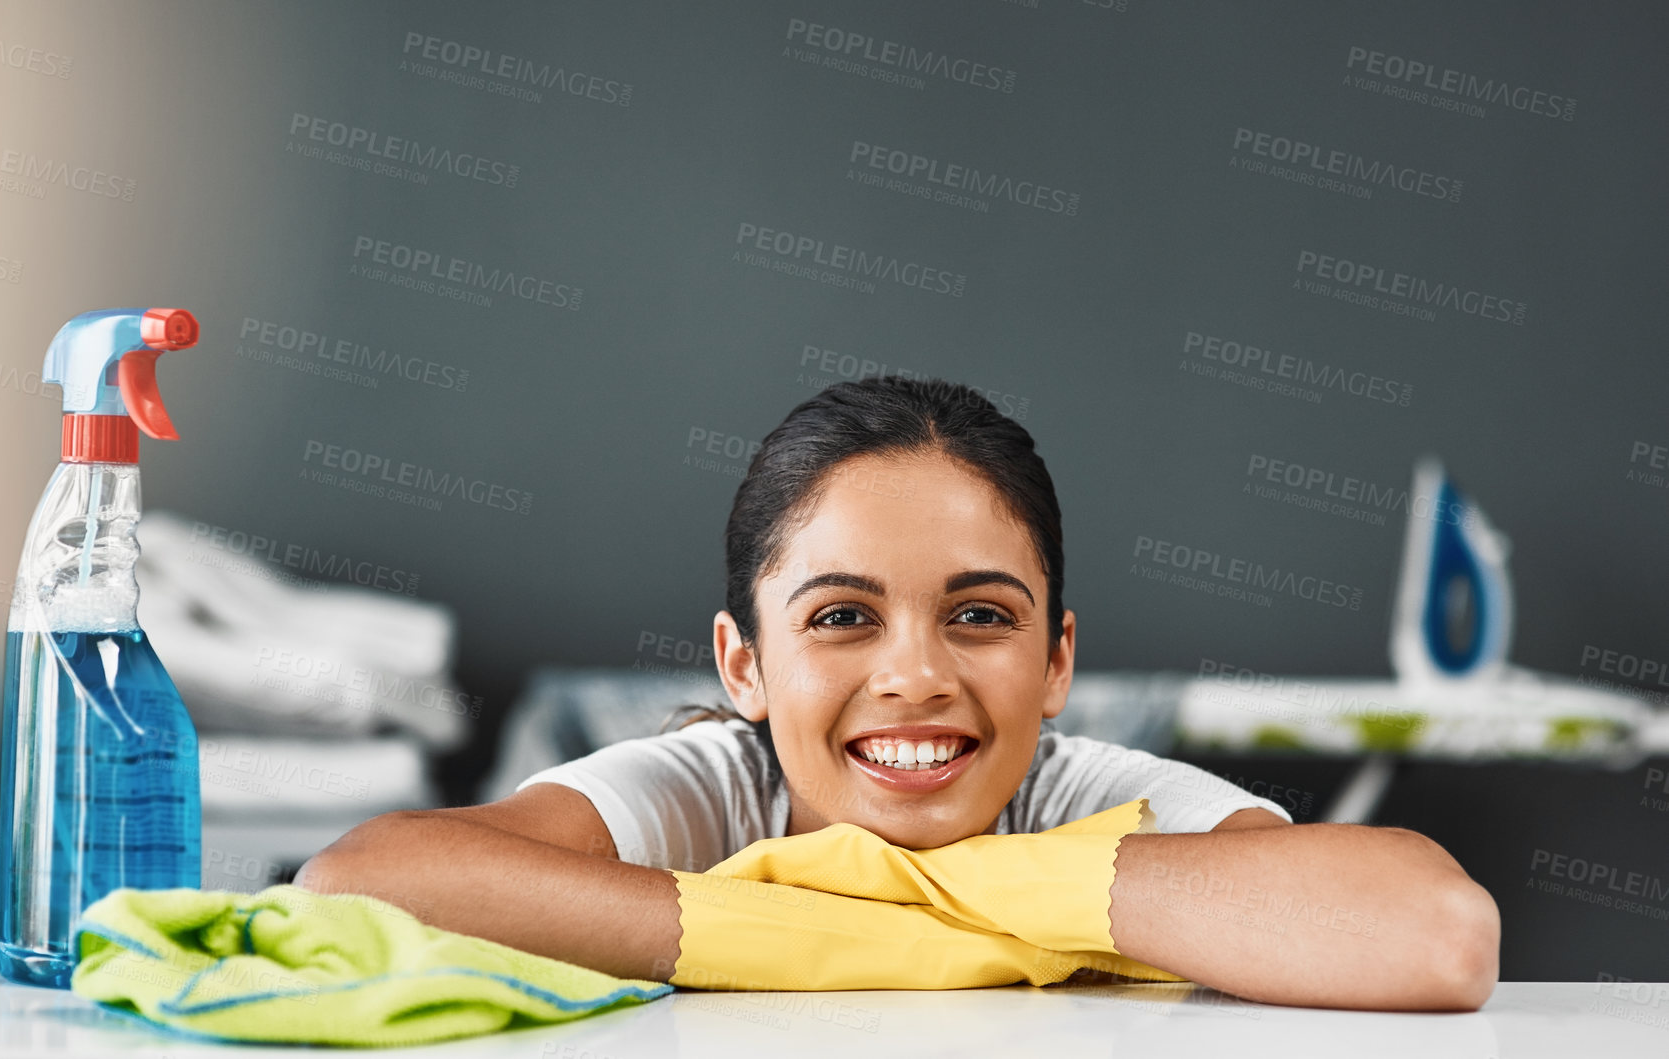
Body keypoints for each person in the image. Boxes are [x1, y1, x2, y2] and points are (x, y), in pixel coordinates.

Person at [296, 376, 1500, 1010]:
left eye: (980, 616)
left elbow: (1435, 932)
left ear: (1058, 661)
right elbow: (362, 882)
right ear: (743, 668)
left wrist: (912, 886)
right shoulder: (709, 785)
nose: (917, 677)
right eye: (841, 619)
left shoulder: (1082, 792)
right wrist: (842, 926)